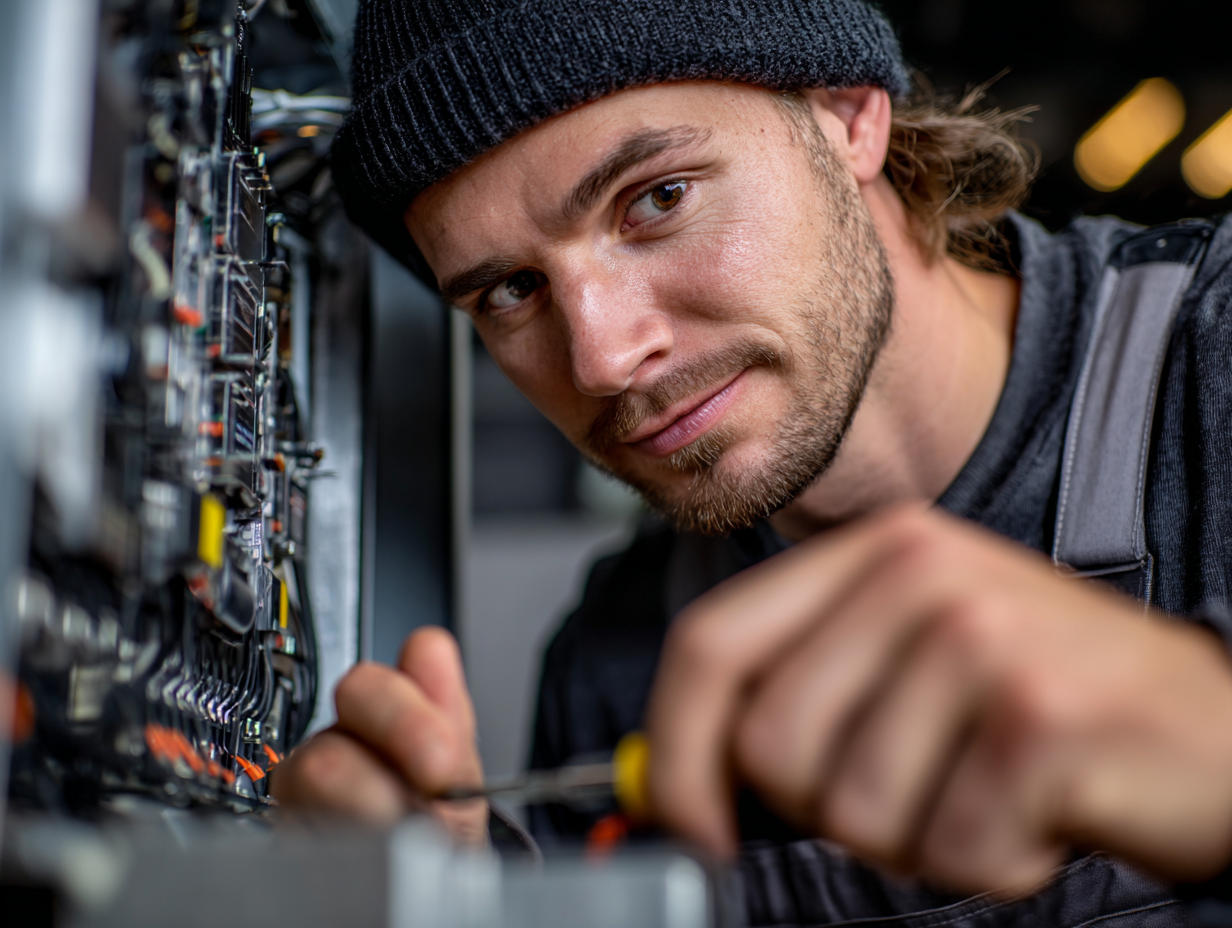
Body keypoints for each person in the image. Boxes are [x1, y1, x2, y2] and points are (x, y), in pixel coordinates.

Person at [272, 0, 1232, 924]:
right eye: (513, 291)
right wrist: (459, 903)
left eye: (658, 199)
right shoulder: (616, 666)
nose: (601, 359)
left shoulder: (1210, 360)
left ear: (848, 113)